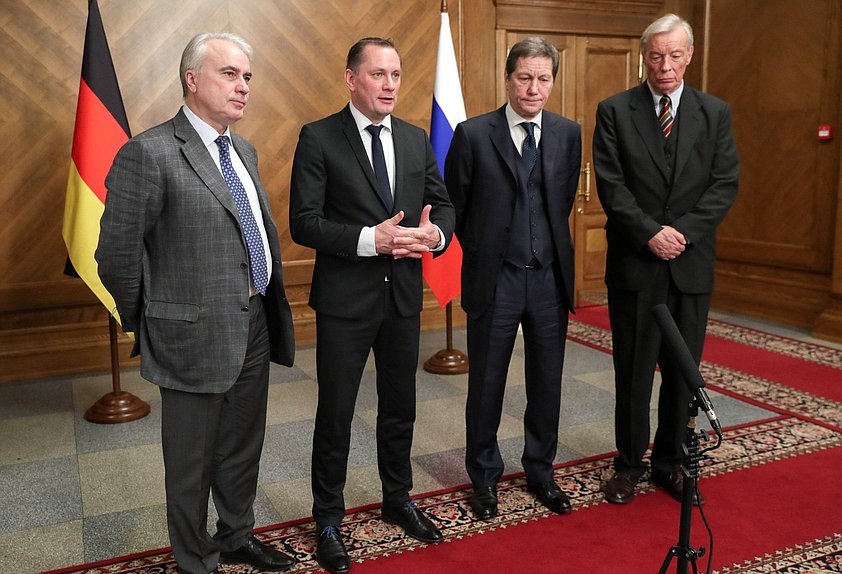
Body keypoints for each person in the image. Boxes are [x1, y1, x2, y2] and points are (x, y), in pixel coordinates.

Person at [96, 33, 296, 574]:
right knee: (190, 463)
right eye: (230, 74)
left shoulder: (244, 150)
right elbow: (114, 256)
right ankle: (195, 560)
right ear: (192, 78)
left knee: (242, 447)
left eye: (248, 77)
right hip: (188, 333)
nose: (243, 87)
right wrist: (155, 319)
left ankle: (236, 536)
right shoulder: (150, 152)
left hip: (252, 321)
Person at [289, 37, 455, 574]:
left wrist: (434, 238)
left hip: (403, 297)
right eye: (378, 74)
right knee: (336, 412)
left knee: (399, 406)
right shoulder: (318, 138)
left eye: (396, 75)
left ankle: (398, 498)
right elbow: (304, 222)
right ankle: (329, 519)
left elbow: (444, 205)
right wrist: (370, 239)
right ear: (351, 79)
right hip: (345, 301)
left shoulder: (414, 137)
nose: (389, 85)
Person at [593, 13, 739, 506]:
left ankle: (670, 463)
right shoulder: (614, 110)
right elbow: (611, 185)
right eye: (656, 56)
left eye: (675, 55)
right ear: (644, 56)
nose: (665, 66)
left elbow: (724, 185)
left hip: (690, 265)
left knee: (683, 371)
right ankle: (629, 465)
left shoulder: (714, 112)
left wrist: (681, 235)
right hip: (637, 264)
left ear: (689, 55)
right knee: (632, 371)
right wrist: (651, 234)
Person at [444, 37, 581, 521]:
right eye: (525, 77)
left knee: (547, 382)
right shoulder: (473, 134)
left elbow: (559, 202)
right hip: (495, 279)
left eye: (544, 78)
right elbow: (456, 206)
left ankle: (541, 472)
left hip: (548, 280)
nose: (534, 88)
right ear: (508, 78)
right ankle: (483, 478)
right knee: (487, 384)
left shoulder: (568, 133)